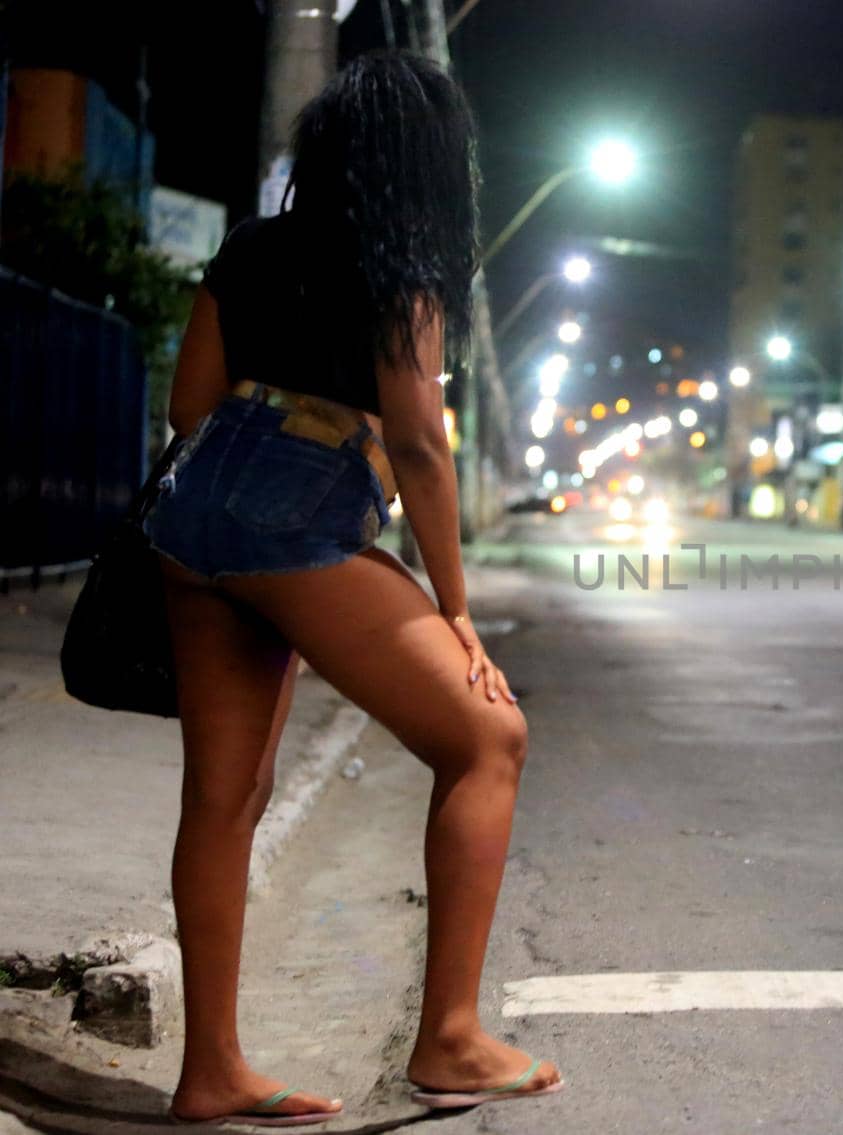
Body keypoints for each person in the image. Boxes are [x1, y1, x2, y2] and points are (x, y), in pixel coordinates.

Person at [145, 52, 561, 1124]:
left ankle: (210, 1072)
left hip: (195, 515)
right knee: (487, 738)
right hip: (298, 507)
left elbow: (191, 404)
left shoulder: (248, 249)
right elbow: (421, 443)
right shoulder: (401, 268)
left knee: (224, 795)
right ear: (430, 166)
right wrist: (455, 607)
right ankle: (452, 1038)